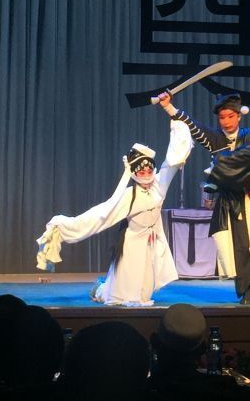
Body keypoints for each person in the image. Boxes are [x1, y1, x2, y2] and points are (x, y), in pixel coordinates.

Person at [157, 90, 250, 304]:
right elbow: (192, 126)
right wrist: (168, 106)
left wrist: (220, 163)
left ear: (239, 116)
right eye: (222, 117)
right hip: (233, 201)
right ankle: (245, 289)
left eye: (230, 116)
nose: (226, 121)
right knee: (241, 247)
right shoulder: (215, 139)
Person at [35, 119, 193, 306]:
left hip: (151, 242)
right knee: (121, 296)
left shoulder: (158, 186)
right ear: (134, 173)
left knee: (144, 294)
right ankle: (100, 290)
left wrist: (178, 124)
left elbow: (172, 164)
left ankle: (106, 288)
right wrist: (62, 227)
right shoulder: (128, 196)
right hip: (132, 243)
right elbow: (99, 216)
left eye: (149, 170)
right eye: (141, 172)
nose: (146, 175)